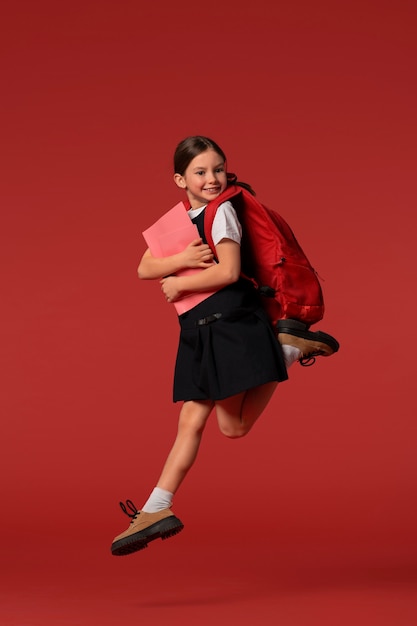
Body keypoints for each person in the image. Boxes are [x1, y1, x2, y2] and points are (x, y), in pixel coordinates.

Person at [111, 136, 338, 556]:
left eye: (218, 169)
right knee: (225, 427)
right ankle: (157, 509)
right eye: (200, 172)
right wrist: (179, 260)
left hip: (232, 324)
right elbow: (144, 266)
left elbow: (230, 272)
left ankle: (287, 349)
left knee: (209, 423)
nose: (212, 178)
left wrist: (179, 281)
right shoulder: (181, 218)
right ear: (181, 179)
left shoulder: (222, 213)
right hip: (199, 331)